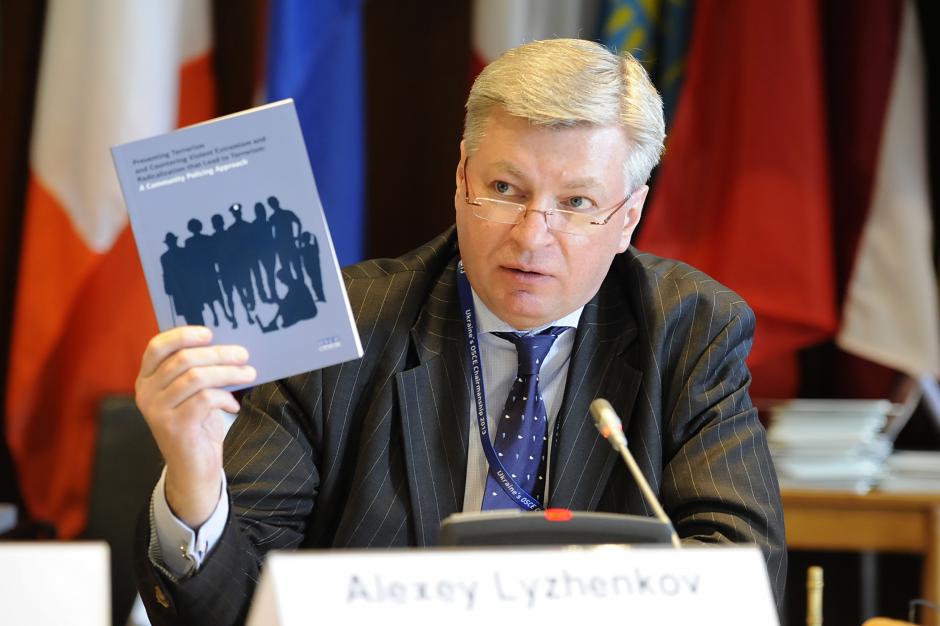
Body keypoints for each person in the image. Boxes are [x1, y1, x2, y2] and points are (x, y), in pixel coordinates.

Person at [133, 39, 787, 625]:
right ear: (461, 180)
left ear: (628, 218)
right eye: (505, 188)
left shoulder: (689, 329)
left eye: (576, 203)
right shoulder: (344, 327)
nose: (532, 236)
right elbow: (232, 607)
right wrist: (196, 483)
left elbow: (741, 576)